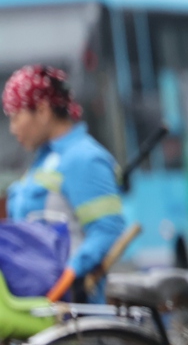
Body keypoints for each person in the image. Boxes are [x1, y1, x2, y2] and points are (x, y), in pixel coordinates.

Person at [3, 65, 126, 300]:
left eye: (16, 117)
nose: (13, 128)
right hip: (40, 302)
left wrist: (71, 274)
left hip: (73, 309)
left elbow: (107, 229)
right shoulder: (44, 161)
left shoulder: (84, 158)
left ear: (42, 110)